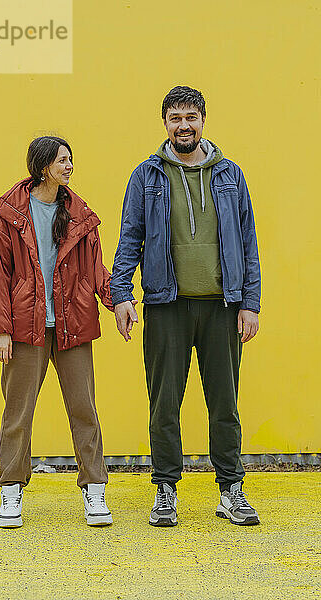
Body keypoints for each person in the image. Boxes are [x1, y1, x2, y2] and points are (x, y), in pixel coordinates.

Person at [110, 86, 261, 527]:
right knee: (164, 403)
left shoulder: (230, 175)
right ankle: (165, 490)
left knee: (225, 402)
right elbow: (130, 237)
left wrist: (250, 302)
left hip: (222, 305)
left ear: (203, 121)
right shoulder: (147, 176)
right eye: (175, 117)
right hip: (165, 305)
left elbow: (248, 242)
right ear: (165, 124)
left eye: (190, 117)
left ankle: (231, 488)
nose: (183, 125)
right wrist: (122, 294)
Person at [0, 136, 114, 528]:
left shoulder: (79, 215)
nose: (70, 166)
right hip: (26, 329)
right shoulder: (9, 216)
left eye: (71, 159)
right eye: (62, 160)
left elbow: (96, 270)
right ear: (44, 167)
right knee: (18, 413)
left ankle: (94, 491)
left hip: (73, 325)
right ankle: (11, 491)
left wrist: (118, 302)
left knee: (84, 410)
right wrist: (0, 330)